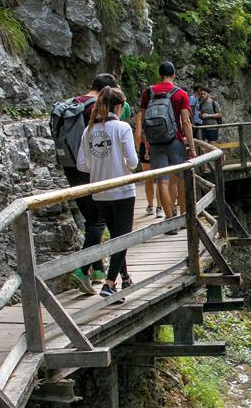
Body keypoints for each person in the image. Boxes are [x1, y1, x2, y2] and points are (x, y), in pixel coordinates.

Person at [50, 74, 113, 293]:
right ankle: (81, 270)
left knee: (90, 219)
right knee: (98, 220)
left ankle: (97, 270)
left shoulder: (73, 103)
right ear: (106, 90)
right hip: (89, 170)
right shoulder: (95, 108)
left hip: (70, 168)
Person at [76, 86, 140, 297]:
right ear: (119, 106)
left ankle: (126, 279)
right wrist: (117, 162)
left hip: (100, 192)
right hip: (122, 190)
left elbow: (82, 164)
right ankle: (110, 284)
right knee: (123, 238)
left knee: (115, 237)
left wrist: (100, 165)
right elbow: (133, 162)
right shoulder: (122, 128)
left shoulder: (89, 130)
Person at [134, 61, 197, 225]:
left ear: (159, 75)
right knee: (181, 179)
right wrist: (192, 147)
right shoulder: (180, 94)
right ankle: (184, 219)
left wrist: (145, 142)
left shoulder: (148, 92)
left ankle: (169, 222)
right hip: (175, 141)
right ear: (174, 74)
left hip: (155, 143)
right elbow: (186, 122)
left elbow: (143, 119)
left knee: (163, 181)